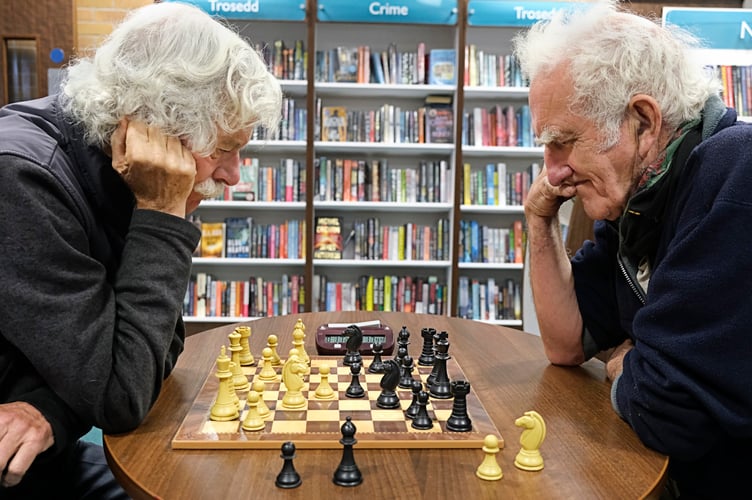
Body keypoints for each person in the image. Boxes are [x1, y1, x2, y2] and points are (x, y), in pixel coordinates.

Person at [0, 2, 281, 497]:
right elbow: (121, 395)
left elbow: (154, 352)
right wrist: (163, 214)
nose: (235, 174)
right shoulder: (22, 178)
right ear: (153, 129)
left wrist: (50, 408)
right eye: (222, 149)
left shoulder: (114, 168)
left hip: (44, 451)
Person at [513, 1, 752, 498]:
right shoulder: (640, 200)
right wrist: (539, 221)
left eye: (564, 141)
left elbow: (669, 412)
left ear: (643, 121)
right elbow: (567, 342)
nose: (552, 171)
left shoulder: (735, 173)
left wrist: (629, 361)